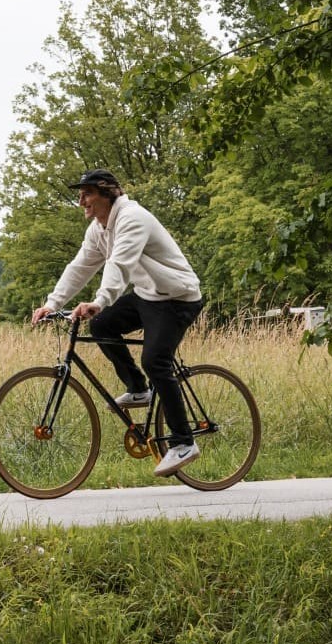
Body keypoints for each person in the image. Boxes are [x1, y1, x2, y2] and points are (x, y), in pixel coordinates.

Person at [30, 169, 206, 477]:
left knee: (156, 361)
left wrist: (99, 301)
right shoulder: (99, 228)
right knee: (102, 327)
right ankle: (138, 390)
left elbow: (119, 264)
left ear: (107, 193)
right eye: (80, 194)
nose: (80, 199)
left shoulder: (131, 218)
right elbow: (80, 266)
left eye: (87, 193)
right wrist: (52, 303)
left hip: (177, 297)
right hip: (148, 295)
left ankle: (183, 442)